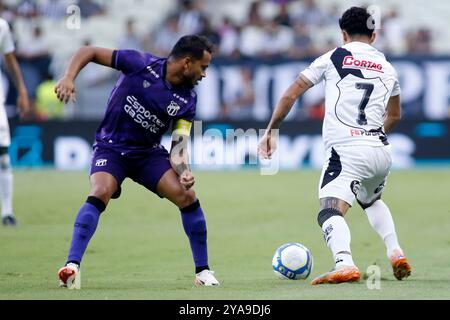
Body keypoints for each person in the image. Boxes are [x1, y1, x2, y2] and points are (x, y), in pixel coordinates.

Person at [258, 7, 411, 284]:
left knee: (329, 209)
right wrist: (373, 135)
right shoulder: (388, 67)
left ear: (343, 34)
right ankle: (395, 251)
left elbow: (291, 93)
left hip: (346, 150)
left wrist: (272, 131)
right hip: (380, 150)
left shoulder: (334, 57)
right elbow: (396, 115)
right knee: (371, 199)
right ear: (374, 35)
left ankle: (344, 262)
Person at [55, 35, 220, 288]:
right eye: (204, 67)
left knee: (187, 196)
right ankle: (71, 267)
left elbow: (178, 147)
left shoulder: (187, 100)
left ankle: (203, 272)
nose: (205, 74)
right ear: (187, 63)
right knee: (100, 191)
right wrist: (68, 77)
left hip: (147, 155)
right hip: (111, 148)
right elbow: (88, 51)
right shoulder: (139, 62)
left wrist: (184, 170)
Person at [0, 18, 30, 226]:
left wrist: (21, 89)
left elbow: (10, 59)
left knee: (3, 158)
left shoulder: (1, 26)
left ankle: (7, 212)